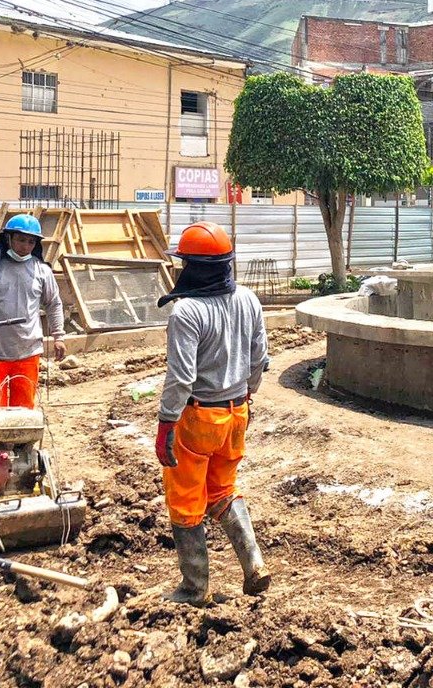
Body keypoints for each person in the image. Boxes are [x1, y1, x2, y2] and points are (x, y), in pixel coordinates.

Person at [155, 221, 271, 605]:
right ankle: (253, 563)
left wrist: (166, 423)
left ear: (193, 267)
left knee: (186, 499)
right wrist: (246, 396)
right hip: (237, 413)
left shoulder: (187, 312)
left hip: (197, 417)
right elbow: (260, 359)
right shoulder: (249, 300)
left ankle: (194, 587)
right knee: (223, 490)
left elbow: (181, 377)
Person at [0, 214, 65, 412]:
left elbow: (53, 303)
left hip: (27, 352)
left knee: (24, 411)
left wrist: (58, 335)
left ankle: (21, 444)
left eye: (31, 241)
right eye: (21, 239)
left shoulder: (41, 271)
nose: (25, 246)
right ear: (8, 238)